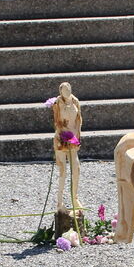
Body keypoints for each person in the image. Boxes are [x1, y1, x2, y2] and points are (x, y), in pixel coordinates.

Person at [51, 81, 85, 214]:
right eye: (64, 89)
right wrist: (62, 135)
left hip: (73, 139)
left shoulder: (75, 101)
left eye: (68, 88)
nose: (67, 91)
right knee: (63, 170)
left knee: (76, 168)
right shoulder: (57, 103)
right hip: (61, 139)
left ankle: (75, 198)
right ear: (60, 91)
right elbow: (57, 122)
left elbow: (79, 121)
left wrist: (77, 137)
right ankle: (60, 202)